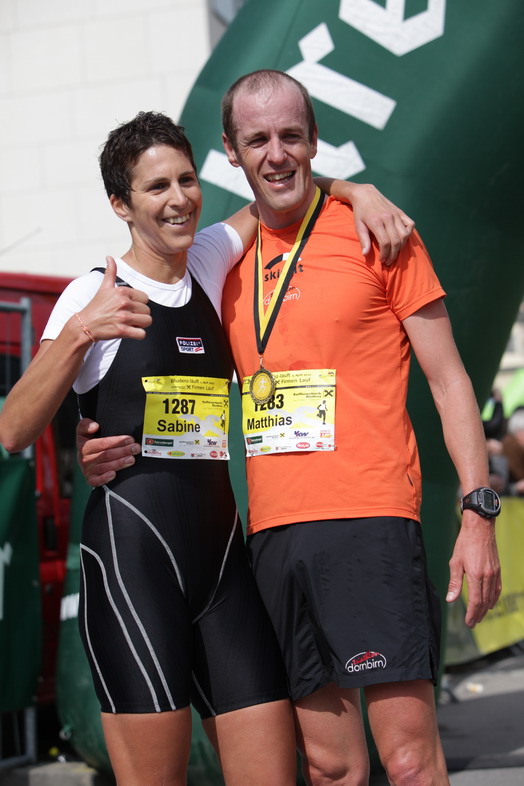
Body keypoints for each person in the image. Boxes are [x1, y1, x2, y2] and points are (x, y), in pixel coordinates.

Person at [79, 72, 502, 785]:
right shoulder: (219, 258)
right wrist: (95, 439)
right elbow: (163, 369)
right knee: (331, 768)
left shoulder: (378, 232)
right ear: (231, 151)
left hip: (371, 519)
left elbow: (449, 378)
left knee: (407, 761)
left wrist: (478, 508)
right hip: (273, 537)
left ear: (313, 141)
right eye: (257, 140)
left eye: (291, 136)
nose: (276, 154)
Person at [0, 109, 414, 786]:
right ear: (121, 205)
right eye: (156, 187)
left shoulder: (212, 257)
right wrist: (80, 332)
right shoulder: (90, 294)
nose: (178, 199)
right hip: (135, 566)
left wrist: (355, 191)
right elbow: (13, 428)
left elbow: (280, 187)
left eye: (186, 180)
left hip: (223, 572)